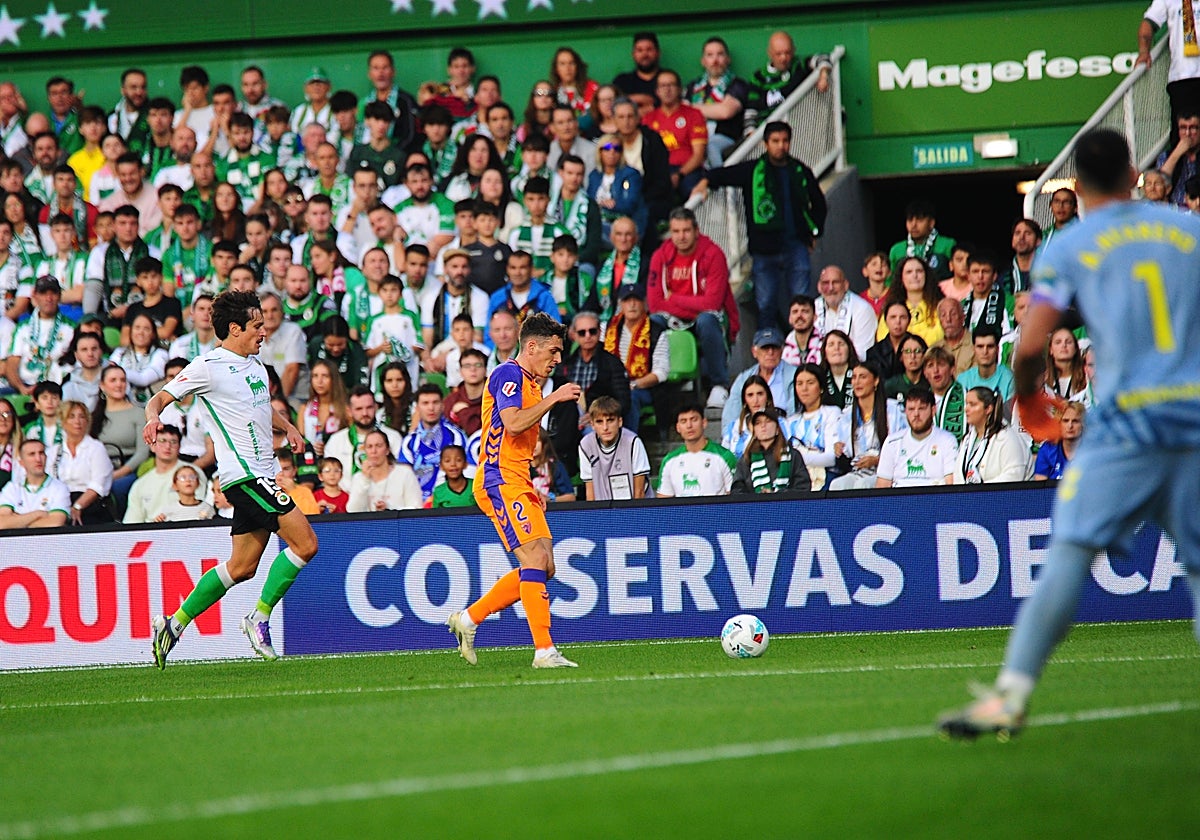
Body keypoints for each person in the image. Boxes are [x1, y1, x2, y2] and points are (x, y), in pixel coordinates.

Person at [146, 290, 319, 668]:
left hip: (262, 473)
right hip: (243, 477)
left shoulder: (256, 366)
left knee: (242, 567)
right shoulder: (208, 366)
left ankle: (173, 624)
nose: (264, 331)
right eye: (257, 325)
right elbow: (159, 398)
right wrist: (152, 417)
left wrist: (288, 425)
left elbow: (259, 407)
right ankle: (258, 618)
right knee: (306, 544)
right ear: (235, 328)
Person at [446, 312, 583, 669]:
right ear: (532, 346)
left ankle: (469, 619)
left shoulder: (532, 384)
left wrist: (531, 482)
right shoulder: (508, 374)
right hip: (497, 479)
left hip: (518, 479)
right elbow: (512, 422)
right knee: (535, 561)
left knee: (546, 566)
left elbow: (518, 441)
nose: (557, 359)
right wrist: (555, 399)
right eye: (553, 351)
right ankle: (544, 651)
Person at [692, 121, 826, 331]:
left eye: (784, 141)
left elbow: (818, 203)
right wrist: (706, 181)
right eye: (775, 141)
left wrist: (815, 232)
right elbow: (724, 174)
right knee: (766, 306)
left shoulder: (799, 170)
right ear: (765, 144)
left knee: (802, 304)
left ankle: (804, 350)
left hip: (796, 246)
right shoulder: (753, 170)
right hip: (764, 251)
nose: (780, 146)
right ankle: (767, 349)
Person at [648, 207, 736, 409]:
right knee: (653, 322)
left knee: (707, 319)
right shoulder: (660, 256)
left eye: (686, 230)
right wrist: (693, 304)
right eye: (676, 231)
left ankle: (719, 384)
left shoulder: (713, 254)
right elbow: (655, 304)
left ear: (696, 230)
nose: (681, 237)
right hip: (674, 318)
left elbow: (712, 303)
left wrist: (675, 299)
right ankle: (659, 386)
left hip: (708, 319)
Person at [603, 284, 668, 433]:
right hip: (610, 384)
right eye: (627, 300)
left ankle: (628, 441)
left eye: (636, 300)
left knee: (629, 397)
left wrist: (634, 384)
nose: (632, 305)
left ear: (644, 303)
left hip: (642, 388)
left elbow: (661, 372)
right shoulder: (606, 328)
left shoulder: (657, 331)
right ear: (620, 304)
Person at [830, 361, 904, 491]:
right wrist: (838, 448)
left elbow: (903, 448)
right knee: (837, 485)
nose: (857, 382)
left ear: (875, 381)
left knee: (862, 486)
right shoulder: (846, 415)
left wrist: (877, 460)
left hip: (887, 472)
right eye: (854, 377)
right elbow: (845, 451)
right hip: (859, 471)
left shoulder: (893, 410)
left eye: (863, 377)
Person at [744, 31, 831, 129]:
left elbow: (823, 58)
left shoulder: (799, 65)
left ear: (794, 50)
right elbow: (751, 111)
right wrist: (751, 133)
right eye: (778, 54)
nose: (783, 58)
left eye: (787, 53)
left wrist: (823, 76)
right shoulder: (758, 77)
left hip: (798, 128)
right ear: (770, 53)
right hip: (767, 133)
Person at [874, 386, 957, 488]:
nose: (916, 414)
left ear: (933, 410)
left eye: (921, 408)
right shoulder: (892, 442)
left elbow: (951, 487)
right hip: (899, 501)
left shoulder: (947, 441)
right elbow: (882, 488)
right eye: (911, 409)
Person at [324, 385, 403, 492]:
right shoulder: (335, 441)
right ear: (349, 411)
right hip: (345, 502)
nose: (365, 413)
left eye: (369, 407)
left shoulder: (393, 437)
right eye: (359, 409)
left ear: (376, 407)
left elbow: (401, 474)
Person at [686, 37, 750, 167]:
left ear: (728, 59)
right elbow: (681, 112)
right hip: (695, 136)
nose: (715, 60)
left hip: (726, 138)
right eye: (710, 55)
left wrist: (691, 108)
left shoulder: (737, 84)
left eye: (720, 54)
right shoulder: (693, 87)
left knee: (710, 145)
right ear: (703, 61)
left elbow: (725, 111)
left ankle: (720, 183)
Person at [399, 383, 468, 502]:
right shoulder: (410, 441)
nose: (431, 408)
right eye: (425, 403)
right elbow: (403, 476)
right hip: (416, 504)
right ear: (417, 408)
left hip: (448, 502)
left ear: (442, 405)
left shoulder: (455, 436)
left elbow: (464, 470)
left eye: (435, 402)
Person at [50, 399, 114, 525]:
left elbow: (97, 485)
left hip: (89, 503)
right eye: (71, 417)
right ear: (63, 421)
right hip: (61, 502)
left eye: (82, 417)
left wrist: (78, 506)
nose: (77, 422)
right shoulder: (54, 451)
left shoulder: (96, 448)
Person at [951, 386, 1031, 484]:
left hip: (1006, 497)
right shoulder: (967, 439)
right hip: (971, 498)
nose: (966, 409)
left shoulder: (1008, 437)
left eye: (972, 404)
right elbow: (958, 475)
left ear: (988, 408)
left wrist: (981, 491)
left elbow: (1014, 476)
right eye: (966, 404)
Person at [657, 402, 737, 498]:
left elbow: (734, 498)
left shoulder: (725, 456)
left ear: (704, 423)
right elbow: (664, 500)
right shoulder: (669, 461)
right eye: (683, 421)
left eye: (694, 419)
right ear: (678, 427)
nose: (689, 425)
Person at [578, 395, 650, 501]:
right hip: (604, 511)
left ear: (620, 421)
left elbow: (639, 493)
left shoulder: (633, 442)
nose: (605, 427)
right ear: (592, 425)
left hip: (634, 509)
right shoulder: (586, 445)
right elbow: (590, 493)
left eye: (610, 420)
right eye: (599, 422)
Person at [723, 327, 796, 429]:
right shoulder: (743, 379)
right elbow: (730, 416)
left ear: (782, 350)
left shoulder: (794, 376)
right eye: (765, 348)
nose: (770, 352)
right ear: (754, 351)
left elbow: (795, 417)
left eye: (774, 347)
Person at [787, 363, 842, 489]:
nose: (804, 388)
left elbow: (830, 458)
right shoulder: (791, 421)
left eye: (810, 383)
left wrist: (798, 458)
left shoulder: (832, 413)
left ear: (821, 387)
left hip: (827, 477)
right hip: (798, 478)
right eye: (799, 383)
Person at [731, 409, 810, 495]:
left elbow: (803, 488)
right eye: (758, 423)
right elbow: (737, 490)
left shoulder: (793, 455)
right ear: (754, 431)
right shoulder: (746, 459)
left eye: (768, 421)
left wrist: (777, 495)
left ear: (777, 429)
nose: (763, 426)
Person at [0, 439, 70, 529]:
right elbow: (2, 523)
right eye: (32, 454)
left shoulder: (60, 488)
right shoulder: (12, 488)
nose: (38, 459)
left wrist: (17, 520)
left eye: (41, 453)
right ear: (21, 462)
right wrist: (37, 514)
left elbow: (55, 523)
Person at [587, 136, 646, 243]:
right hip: (599, 223)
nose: (612, 152)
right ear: (600, 152)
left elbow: (629, 204)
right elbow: (589, 204)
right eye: (607, 147)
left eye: (617, 149)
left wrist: (606, 205)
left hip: (624, 226)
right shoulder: (594, 175)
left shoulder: (631, 175)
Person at [813, 264, 877, 360]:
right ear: (819, 287)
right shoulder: (813, 308)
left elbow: (863, 353)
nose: (830, 288)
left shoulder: (862, 309)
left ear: (846, 285)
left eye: (835, 282)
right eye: (826, 283)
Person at [878, 256, 944, 347]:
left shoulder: (939, 306)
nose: (915, 275)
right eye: (909, 272)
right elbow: (883, 338)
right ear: (901, 278)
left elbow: (939, 335)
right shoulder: (891, 308)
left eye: (919, 271)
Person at [888, 199, 955, 283]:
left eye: (919, 220)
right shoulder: (897, 249)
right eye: (910, 220)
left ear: (931, 223)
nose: (913, 225)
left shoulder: (947, 244)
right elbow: (890, 282)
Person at [721, 375, 780, 459]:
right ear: (745, 400)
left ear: (767, 397)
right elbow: (724, 460)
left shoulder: (781, 423)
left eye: (760, 394)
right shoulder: (733, 428)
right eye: (750, 395)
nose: (755, 400)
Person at [957, 328, 1015, 402]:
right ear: (973, 349)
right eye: (980, 346)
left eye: (990, 346)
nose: (985, 352)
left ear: (997, 349)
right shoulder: (963, 379)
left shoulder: (1009, 379)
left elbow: (1010, 412)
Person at [612, 32, 663, 114]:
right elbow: (612, 106)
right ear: (633, 54)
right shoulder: (622, 81)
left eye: (649, 49)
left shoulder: (668, 79)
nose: (644, 54)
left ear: (658, 53)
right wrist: (639, 99)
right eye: (640, 50)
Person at [1033, 401, 1086, 481]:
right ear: (1058, 424)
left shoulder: (1093, 450)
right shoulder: (1047, 450)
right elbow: (1041, 490)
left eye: (1075, 421)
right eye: (1065, 421)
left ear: (1083, 424)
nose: (1070, 426)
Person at [923, 345, 966, 442]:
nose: (935, 370)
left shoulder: (967, 398)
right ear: (925, 372)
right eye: (930, 365)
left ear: (952, 369)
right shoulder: (921, 401)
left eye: (941, 364)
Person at [1045, 326, 1094, 407]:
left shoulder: (1087, 377)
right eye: (1058, 342)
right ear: (1051, 350)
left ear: (1075, 348)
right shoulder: (1043, 379)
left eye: (1068, 342)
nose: (1064, 345)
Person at [931, 296, 974, 374]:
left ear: (963, 317)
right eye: (943, 315)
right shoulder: (934, 348)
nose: (948, 319)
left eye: (953, 314)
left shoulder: (976, 345)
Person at [818, 328, 858, 410]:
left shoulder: (860, 374)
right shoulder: (819, 377)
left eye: (841, 344)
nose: (836, 348)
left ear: (849, 350)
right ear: (824, 353)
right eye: (831, 344)